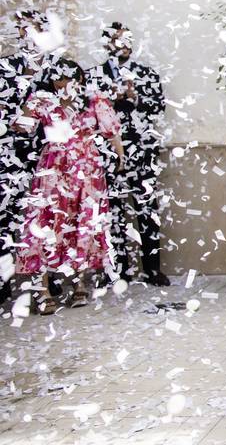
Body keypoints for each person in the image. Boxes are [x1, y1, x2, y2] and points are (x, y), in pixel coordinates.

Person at [12, 59, 123, 313]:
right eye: (56, 78)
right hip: (53, 167)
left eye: (66, 78)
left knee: (81, 222)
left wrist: (120, 156)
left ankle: (79, 285)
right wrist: (27, 107)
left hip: (86, 168)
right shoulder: (44, 100)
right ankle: (42, 291)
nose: (60, 83)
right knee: (44, 222)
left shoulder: (93, 100)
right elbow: (22, 127)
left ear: (79, 79)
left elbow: (112, 131)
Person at [88, 22, 169, 286]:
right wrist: (109, 98)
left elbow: (158, 107)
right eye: (119, 40)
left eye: (128, 40)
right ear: (107, 44)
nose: (125, 45)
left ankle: (152, 270)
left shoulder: (146, 74)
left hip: (142, 151)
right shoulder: (94, 76)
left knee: (147, 211)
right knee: (113, 214)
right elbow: (87, 113)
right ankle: (118, 271)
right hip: (107, 154)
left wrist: (134, 99)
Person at [0, 11, 58, 303]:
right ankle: (3, 285)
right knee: (5, 221)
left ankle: (46, 285)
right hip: (8, 158)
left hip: (48, 159)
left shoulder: (56, 71)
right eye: (22, 30)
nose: (27, 35)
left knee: (45, 222)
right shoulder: (4, 68)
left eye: (33, 29)